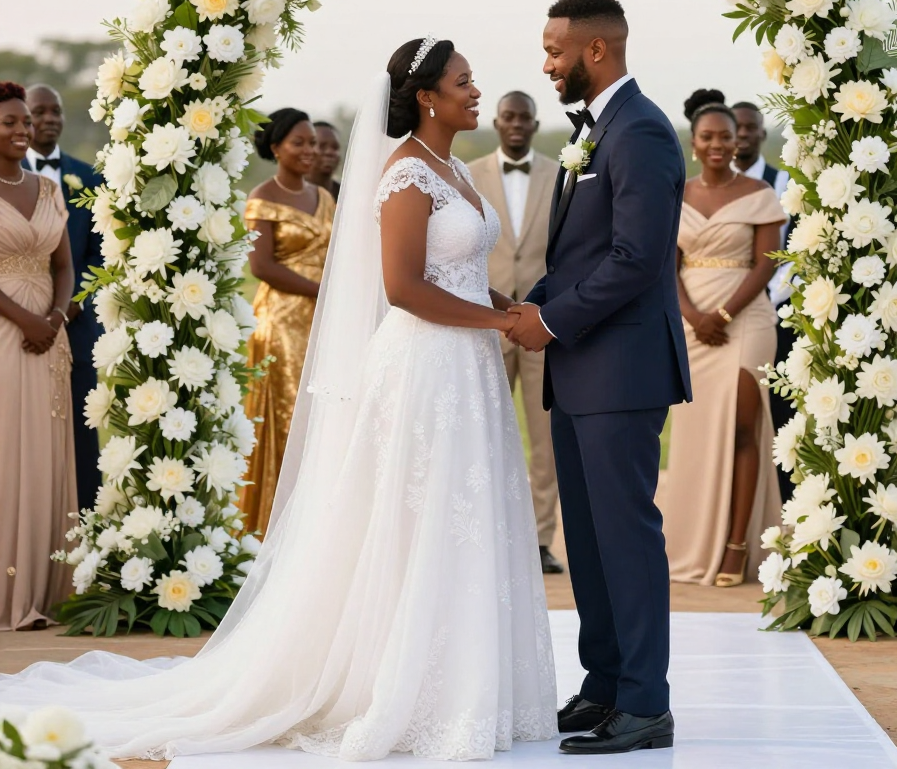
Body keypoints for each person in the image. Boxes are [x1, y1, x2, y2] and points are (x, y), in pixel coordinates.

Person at [0, 42, 556, 760]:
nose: (476, 91)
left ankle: (470, 681)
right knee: (417, 516)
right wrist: (503, 323)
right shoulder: (408, 173)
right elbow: (405, 289)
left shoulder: (452, 168)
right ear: (425, 96)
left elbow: (465, 274)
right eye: (463, 82)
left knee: (463, 515)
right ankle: (401, 687)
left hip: (468, 365)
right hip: (428, 364)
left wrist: (513, 310)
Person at [508, 0, 688, 755]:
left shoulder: (640, 130)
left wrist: (548, 321)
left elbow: (636, 259)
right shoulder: (596, 130)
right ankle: (606, 684)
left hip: (621, 371)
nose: (545, 64)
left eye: (553, 50)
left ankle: (646, 704)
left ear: (595, 51)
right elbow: (578, 256)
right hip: (582, 371)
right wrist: (526, 304)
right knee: (588, 538)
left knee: (626, 536)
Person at [662, 89, 784, 589]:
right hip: (693, 326)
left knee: (742, 426)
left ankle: (737, 546)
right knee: (695, 434)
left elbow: (766, 265)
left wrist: (727, 312)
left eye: (727, 137)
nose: (718, 144)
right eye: (708, 136)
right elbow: (666, 268)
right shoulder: (675, 194)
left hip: (748, 322)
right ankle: (694, 542)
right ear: (694, 142)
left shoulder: (760, 196)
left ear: (739, 142)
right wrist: (693, 316)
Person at [467, 91, 563, 574]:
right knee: (483, 430)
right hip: (485, 320)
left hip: (543, 323)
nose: (517, 124)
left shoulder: (560, 173)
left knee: (545, 437)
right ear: (497, 122)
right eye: (509, 116)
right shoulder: (469, 173)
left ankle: (541, 539)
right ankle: (485, 534)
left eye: (526, 117)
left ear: (535, 122)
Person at [0, 82, 76, 631]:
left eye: (25, 121)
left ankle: (44, 591)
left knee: (47, 454)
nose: (22, 130)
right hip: (5, 330)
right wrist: (25, 319)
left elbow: (64, 268)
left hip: (51, 338)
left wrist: (55, 318)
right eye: (10, 122)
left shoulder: (49, 191)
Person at [240, 108, 336, 537]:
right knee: (290, 416)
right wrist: (321, 291)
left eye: (313, 143)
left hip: (327, 319)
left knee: (326, 417)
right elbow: (261, 266)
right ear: (276, 147)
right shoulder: (262, 197)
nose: (309, 150)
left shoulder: (326, 198)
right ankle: (274, 527)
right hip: (281, 323)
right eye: (299, 142)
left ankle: (318, 523)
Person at [23, 83, 104, 509]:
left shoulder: (90, 177)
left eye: (56, 111)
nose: (50, 118)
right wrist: (33, 314)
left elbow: (100, 252)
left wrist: (68, 308)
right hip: (19, 323)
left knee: (81, 425)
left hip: (77, 324)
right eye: (41, 111)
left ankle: (85, 515)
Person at [732, 99, 795, 502]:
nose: (741, 135)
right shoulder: (704, 186)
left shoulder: (786, 184)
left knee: (778, 417)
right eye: (734, 128)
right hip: (721, 320)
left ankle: (781, 508)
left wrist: (767, 299)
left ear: (761, 134)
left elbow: (794, 250)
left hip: (776, 314)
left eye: (750, 127)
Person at [310, 120, 342, 201]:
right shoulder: (288, 194)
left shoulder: (346, 194)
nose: (330, 152)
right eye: (322, 146)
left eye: (335, 148)